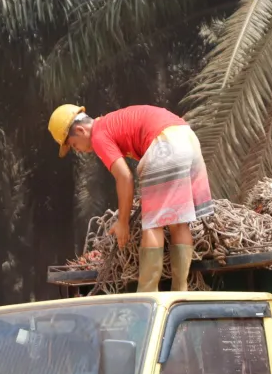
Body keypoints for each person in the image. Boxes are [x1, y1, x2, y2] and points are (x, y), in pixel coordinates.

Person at [48, 104, 213, 292]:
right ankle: (180, 290)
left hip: (165, 145)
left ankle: (147, 293)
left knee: (153, 225)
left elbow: (124, 177)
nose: (78, 150)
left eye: (74, 145)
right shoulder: (111, 122)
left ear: (80, 130)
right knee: (179, 222)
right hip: (187, 138)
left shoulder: (98, 135)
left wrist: (123, 223)